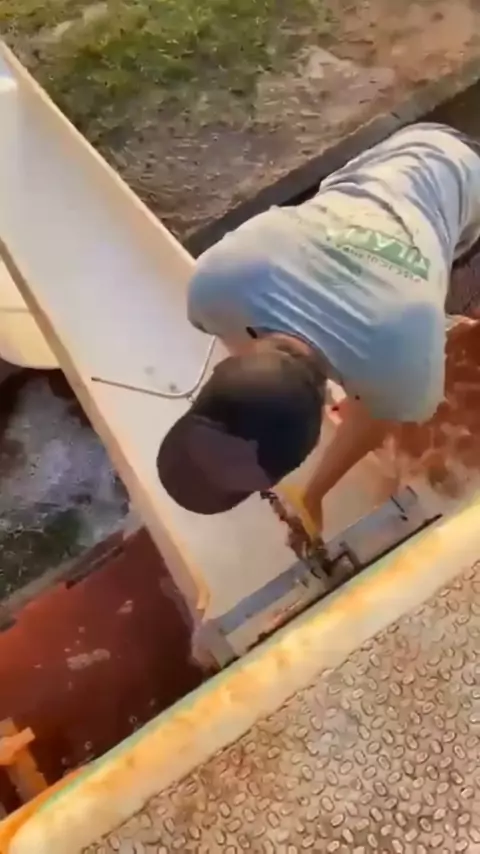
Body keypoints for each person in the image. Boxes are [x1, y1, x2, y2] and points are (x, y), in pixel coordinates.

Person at [157, 123, 480, 530]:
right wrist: (310, 496)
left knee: (450, 265)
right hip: (394, 158)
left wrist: (314, 494)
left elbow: (372, 421)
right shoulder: (215, 285)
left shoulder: (405, 371)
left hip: (467, 178)